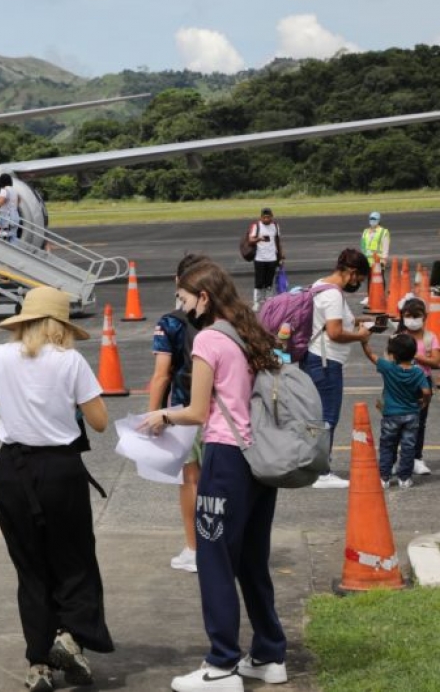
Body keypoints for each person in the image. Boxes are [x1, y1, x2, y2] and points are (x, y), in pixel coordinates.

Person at [140, 260, 287, 692]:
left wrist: (161, 416)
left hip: (225, 456)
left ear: (203, 297)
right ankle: (268, 653)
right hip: (259, 457)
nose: (180, 304)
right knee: (251, 561)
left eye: (184, 296)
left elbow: (198, 411)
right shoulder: (248, 331)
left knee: (214, 559)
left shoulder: (208, 339)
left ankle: (221, 664)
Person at [0, 286, 114, 692]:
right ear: (61, 324)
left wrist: (15, 396)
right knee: (74, 559)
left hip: (12, 470)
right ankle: (69, 637)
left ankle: (38, 663)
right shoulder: (71, 361)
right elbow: (99, 421)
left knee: (29, 567)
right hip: (60, 469)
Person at [147, 253, 210, 573]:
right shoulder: (226, 319)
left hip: (185, 409)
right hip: (224, 410)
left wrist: (153, 415)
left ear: (179, 282)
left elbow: (161, 374)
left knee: (190, 479)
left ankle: (194, 547)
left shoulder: (170, 322)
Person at [302, 249, 372, 489]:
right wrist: (359, 336)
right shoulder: (333, 295)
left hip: (317, 358)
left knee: (318, 415)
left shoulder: (320, 285)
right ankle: (322, 473)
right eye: (359, 279)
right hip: (326, 361)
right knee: (328, 416)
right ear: (352, 273)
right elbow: (334, 332)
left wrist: (363, 323)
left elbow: (334, 324)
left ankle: (314, 466)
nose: (358, 284)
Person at [361, 333, 431, 490]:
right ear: (413, 353)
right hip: (412, 414)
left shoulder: (388, 367)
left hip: (391, 414)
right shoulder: (418, 372)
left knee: (387, 445)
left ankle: (384, 477)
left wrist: (363, 342)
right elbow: (426, 391)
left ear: (393, 354)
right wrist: (423, 402)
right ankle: (404, 478)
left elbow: (371, 356)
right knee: (408, 447)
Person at [395, 297, 437, 475]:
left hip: (422, 383)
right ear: (403, 317)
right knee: (397, 422)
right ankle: (398, 458)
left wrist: (418, 357)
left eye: (416, 316)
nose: (412, 320)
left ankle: (416, 458)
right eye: (408, 316)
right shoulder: (397, 338)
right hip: (400, 384)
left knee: (419, 422)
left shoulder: (430, 337)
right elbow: (389, 362)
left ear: (424, 317)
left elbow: (436, 362)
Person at [247, 208, 284, 311]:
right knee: (259, 282)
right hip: (259, 258)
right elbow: (250, 240)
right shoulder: (256, 226)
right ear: (261, 217)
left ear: (272, 217)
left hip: (272, 257)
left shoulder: (275, 226)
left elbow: (277, 241)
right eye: (264, 217)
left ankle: (268, 301)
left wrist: (281, 254)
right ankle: (256, 302)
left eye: (268, 217)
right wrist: (259, 239)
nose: (266, 219)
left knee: (269, 281)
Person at [360, 211, 390, 287]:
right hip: (367, 261)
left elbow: (385, 247)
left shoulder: (383, 232)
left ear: (379, 220)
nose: (372, 220)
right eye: (371, 218)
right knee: (369, 281)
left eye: (374, 219)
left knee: (379, 280)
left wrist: (384, 260)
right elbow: (362, 245)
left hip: (378, 261)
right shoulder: (365, 232)